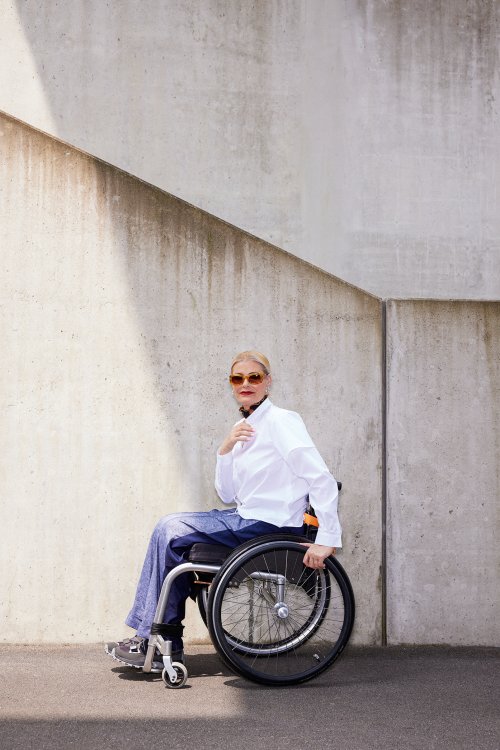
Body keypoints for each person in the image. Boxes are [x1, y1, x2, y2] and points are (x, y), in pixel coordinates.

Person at [106, 350, 342, 672]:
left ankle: (151, 637)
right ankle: (167, 644)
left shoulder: (281, 421)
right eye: (238, 378)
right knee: (178, 544)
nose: (246, 384)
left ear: (267, 382)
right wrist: (226, 449)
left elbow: (322, 479)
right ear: (231, 385)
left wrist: (326, 538)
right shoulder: (243, 427)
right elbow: (227, 493)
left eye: (254, 377)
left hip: (268, 525)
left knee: (169, 528)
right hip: (246, 518)